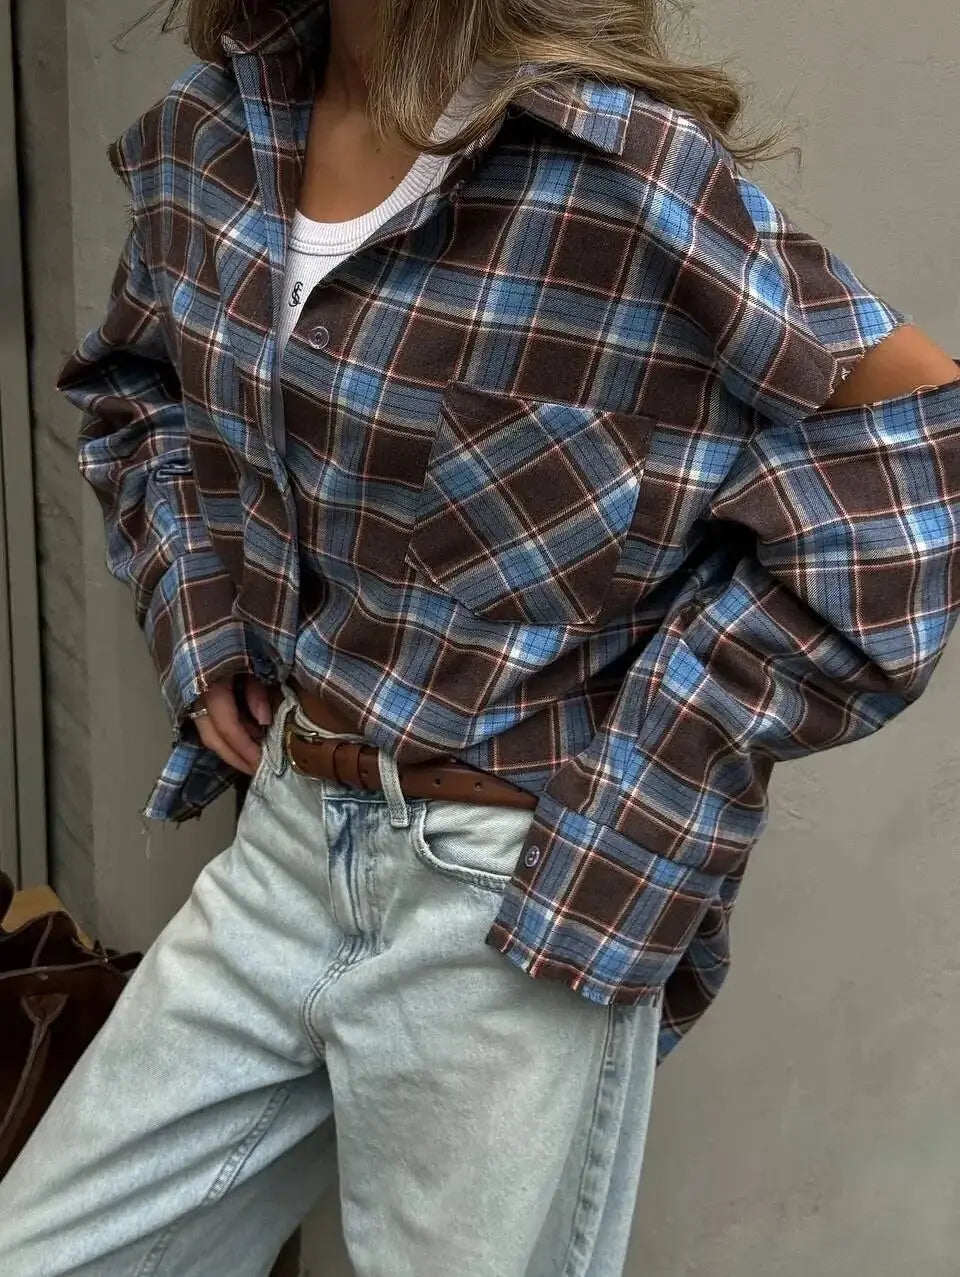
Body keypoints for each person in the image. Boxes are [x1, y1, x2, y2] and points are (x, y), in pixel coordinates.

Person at [2, 0, 959, 1273]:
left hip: (504, 894)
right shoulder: (212, 140)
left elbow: (913, 465)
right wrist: (204, 611)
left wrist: (647, 791)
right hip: (285, 834)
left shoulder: (616, 167)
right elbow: (138, 392)